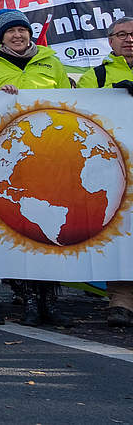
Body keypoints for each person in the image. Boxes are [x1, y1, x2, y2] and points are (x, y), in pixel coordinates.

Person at [0, 8, 72, 326]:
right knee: (28, 227)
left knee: (52, 227)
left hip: (51, 156)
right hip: (16, 159)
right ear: (1, 37)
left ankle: (51, 301)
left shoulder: (51, 62)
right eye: (11, 32)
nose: (18, 36)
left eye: (22, 30)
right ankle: (30, 300)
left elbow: (71, 102)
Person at [77, 17, 133, 327]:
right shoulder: (94, 77)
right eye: (121, 35)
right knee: (122, 235)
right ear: (110, 41)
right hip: (115, 170)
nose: (129, 39)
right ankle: (121, 301)